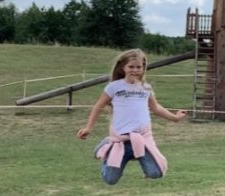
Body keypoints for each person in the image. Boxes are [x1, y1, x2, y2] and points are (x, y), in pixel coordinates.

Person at [77, 49, 187, 184]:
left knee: (156, 173)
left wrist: (175, 118)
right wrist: (88, 128)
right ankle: (107, 145)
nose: (135, 70)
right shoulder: (114, 87)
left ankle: (141, 157)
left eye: (138, 67)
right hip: (121, 140)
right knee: (110, 180)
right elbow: (98, 106)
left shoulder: (146, 88)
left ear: (143, 68)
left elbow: (156, 108)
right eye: (131, 67)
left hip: (142, 138)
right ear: (122, 67)